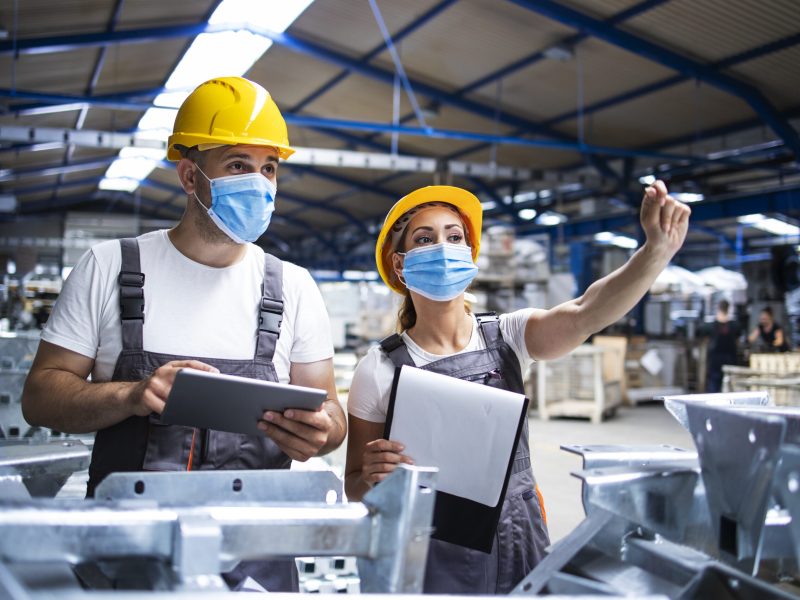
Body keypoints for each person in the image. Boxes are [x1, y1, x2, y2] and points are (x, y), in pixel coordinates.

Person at [21, 76, 346, 592]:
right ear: (190, 176)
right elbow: (39, 398)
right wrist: (131, 394)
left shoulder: (293, 287)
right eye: (239, 165)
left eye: (270, 168)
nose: (259, 183)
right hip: (125, 560)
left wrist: (321, 432)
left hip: (257, 565)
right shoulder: (110, 267)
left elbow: (331, 415)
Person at [344, 181, 691, 594]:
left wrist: (654, 253)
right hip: (428, 549)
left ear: (470, 255)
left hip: (518, 535)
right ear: (400, 266)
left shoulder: (508, 336)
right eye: (425, 238)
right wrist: (374, 476)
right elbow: (354, 484)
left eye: (454, 237)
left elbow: (586, 312)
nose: (443, 247)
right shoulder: (380, 368)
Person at [704, 299, 740, 392]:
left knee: (714, 384)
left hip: (716, 358)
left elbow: (707, 340)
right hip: (729, 357)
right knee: (729, 383)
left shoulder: (711, 326)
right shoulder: (734, 325)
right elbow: (737, 341)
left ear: (718, 308)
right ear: (728, 309)